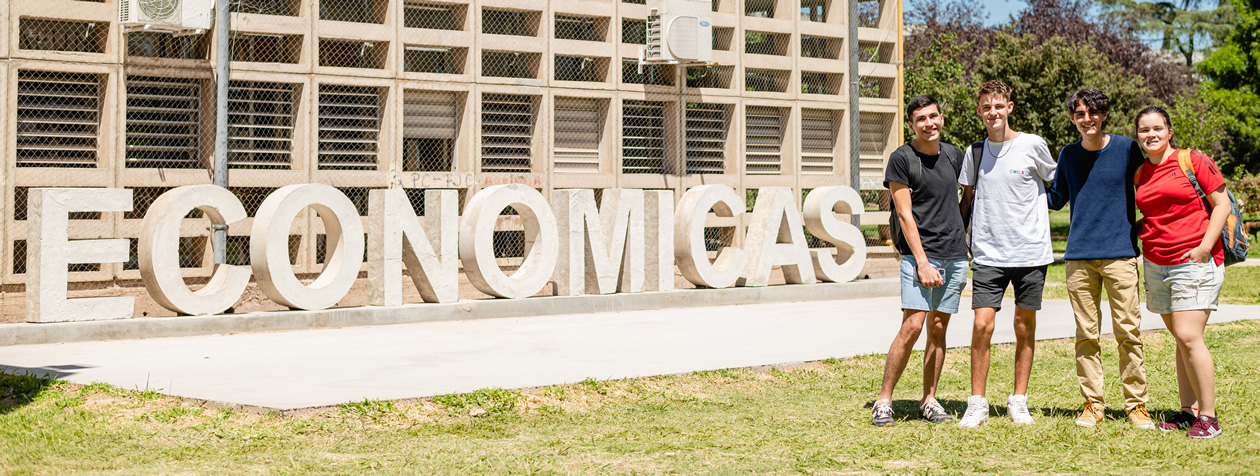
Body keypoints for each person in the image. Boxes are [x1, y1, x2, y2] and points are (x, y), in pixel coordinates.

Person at [1047, 88, 1154, 429]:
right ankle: (1093, 404)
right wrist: (1020, 183)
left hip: (1120, 256)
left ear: (1103, 114)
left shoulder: (1126, 149)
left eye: (1092, 112)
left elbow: (1150, 188)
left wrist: (1141, 227)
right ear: (1072, 118)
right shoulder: (1068, 154)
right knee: (1086, 335)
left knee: (1128, 332)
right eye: (1080, 114)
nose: (1087, 119)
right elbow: (1056, 198)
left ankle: (1136, 405)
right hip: (1079, 257)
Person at [956, 80, 1056, 428]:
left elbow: (1054, 185)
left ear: (1009, 108)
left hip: (1030, 252)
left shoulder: (1033, 145)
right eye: (986, 107)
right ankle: (977, 402)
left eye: (999, 106)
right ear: (980, 110)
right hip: (987, 253)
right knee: (982, 324)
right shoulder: (975, 152)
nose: (993, 113)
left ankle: (1019, 400)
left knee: (1023, 326)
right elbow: (966, 200)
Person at [870, 95, 970, 427]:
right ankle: (884, 400)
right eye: (921, 120)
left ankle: (929, 399)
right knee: (913, 326)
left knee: (938, 329)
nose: (929, 124)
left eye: (933, 117)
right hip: (919, 258)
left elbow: (964, 200)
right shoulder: (902, 159)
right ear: (911, 125)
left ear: (941, 118)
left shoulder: (954, 155)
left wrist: (962, 240)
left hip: (955, 255)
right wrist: (922, 262)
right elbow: (904, 213)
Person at [1133, 106, 1228, 439]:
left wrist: (1204, 246)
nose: (1151, 135)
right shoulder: (1141, 173)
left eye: (1157, 128)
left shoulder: (1192, 160)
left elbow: (1223, 204)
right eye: (1144, 130)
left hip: (1195, 261)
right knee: (1181, 339)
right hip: (1157, 263)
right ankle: (1189, 412)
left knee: (1189, 336)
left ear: (1169, 131)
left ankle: (1210, 418)